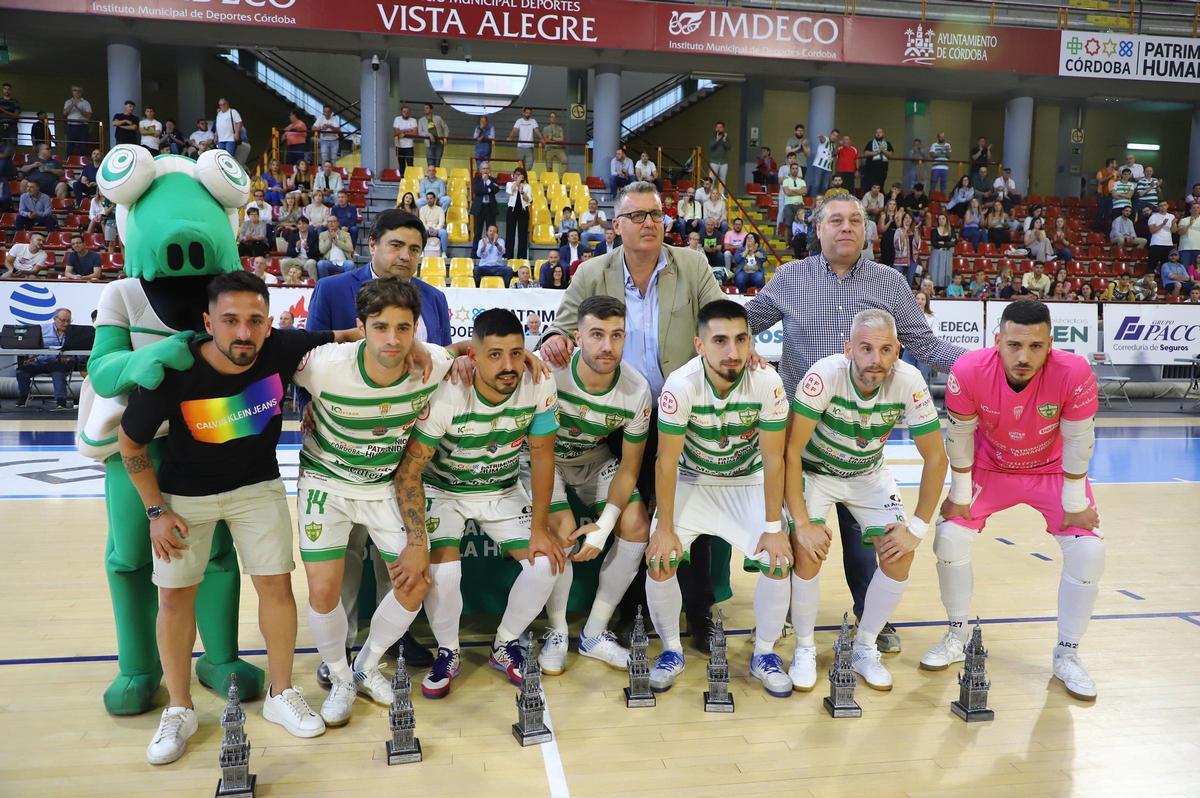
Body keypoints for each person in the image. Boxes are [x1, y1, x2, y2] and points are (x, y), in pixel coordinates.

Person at [118, 271, 363, 765]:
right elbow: (131, 444)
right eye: (230, 321)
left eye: (255, 320)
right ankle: (181, 708)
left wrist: (429, 352)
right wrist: (155, 511)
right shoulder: (175, 371)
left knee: (276, 586)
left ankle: (279, 694)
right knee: (174, 597)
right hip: (185, 497)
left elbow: (352, 336)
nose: (244, 333)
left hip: (258, 488)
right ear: (209, 322)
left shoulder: (281, 348)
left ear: (269, 324)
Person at [744, 194, 964, 655]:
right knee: (799, 534)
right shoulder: (791, 277)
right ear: (818, 229)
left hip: (859, 438)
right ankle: (787, 615)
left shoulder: (889, 282)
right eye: (836, 221)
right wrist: (736, 343)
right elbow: (747, 321)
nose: (846, 228)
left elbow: (922, 341)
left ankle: (871, 617)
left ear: (867, 232)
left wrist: (982, 363)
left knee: (867, 541)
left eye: (856, 221)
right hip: (801, 439)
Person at [539, 181, 728, 651]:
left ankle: (700, 613)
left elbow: (719, 320)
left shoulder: (692, 264)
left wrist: (739, 349)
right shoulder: (592, 271)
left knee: (690, 515)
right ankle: (631, 612)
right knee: (635, 513)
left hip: (683, 415)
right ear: (616, 226)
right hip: (622, 419)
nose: (649, 223)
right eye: (638, 215)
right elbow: (560, 325)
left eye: (656, 215)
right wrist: (551, 341)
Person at [922, 300, 1103, 700]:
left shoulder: (1074, 372)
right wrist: (960, 493)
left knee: (1089, 553)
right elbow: (960, 436)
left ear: (1050, 343)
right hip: (991, 468)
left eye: (1036, 347)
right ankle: (956, 635)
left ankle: (1067, 654)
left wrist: (1075, 500)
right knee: (949, 538)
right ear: (997, 340)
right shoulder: (968, 370)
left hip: (1053, 471)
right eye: (1015, 345)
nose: (1024, 356)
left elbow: (1078, 441)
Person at [293, 278, 455, 726]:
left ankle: (366, 663)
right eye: (380, 327)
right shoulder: (323, 365)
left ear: (416, 329)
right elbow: (271, 354)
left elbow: (471, 353)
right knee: (324, 590)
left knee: (414, 582)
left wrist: (541, 353)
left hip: (384, 484)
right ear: (360, 326)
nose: (392, 339)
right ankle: (342, 677)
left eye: (403, 328)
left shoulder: (432, 363)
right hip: (327, 482)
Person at [392, 308, 564, 695]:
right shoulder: (449, 389)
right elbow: (411, 469)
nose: (508, 365)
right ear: (473, 354)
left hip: (500, 488)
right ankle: (448, 651)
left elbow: (541, 456)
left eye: (517, 353)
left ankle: (505, 644)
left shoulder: (539, 381)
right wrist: (417, 539)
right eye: (495, 354)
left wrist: (539, 528)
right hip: (443, 489)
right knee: (446, 573)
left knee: (546, 564)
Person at [784, 309, 947, 691]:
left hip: (867, 474)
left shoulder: (909, 381)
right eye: (867, 348)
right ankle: (805, 647)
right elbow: (790, 452)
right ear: (848, 349)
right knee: (808, 549)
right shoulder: (824, 375)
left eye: (886, 349)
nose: (876, 359)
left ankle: (865, 645)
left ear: (897, 352)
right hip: (815, 472)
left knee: (899, 552)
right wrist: (804, 523)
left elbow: (936, 458)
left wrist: (917, 529)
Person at [644, 299, 790, 695]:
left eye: (742, 340)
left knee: (777, 559)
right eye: (721, 341)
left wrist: (775, 528)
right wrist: (666, 528)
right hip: (694, 480)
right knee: (660, 560)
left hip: (747, 481)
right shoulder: (681, 385)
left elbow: (774, 459)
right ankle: (671, 651)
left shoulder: (767, 381)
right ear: (699, 345)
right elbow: (666, 462)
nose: (733, 351)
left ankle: (764, 654)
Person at [528, 295, 653, 674]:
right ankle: (557, 630)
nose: (607, 346)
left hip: (590, 459)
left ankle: (595, 633)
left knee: (636, 524)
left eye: (616, 336)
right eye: (596, 335)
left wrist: (605, 526)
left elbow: (630, 468)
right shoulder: (549, 370)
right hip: (540, 458)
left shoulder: (636, 389)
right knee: (563, 531)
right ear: (577, 337)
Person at [14, 307, 79, 409]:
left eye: (68, 321)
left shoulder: (75, 332)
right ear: (55, 319)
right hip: (41, 361)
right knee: (21, 371)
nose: (66, 324)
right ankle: (23, 396)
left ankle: (61, 401)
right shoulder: (42, 329)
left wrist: (69, 359)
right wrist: (31, 357)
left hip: (61, 363)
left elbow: (79, 353)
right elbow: (29, 344)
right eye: (63, 320)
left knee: (58, 370)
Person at [506, 166, 533, 260]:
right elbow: (510, 191)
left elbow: (529, 200)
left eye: (519, 175)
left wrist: (522, 192)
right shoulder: (510, 183)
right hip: (511, 210)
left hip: (523, 211)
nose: (516, 176)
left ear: (523, 176)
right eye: (515, 175)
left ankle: (522, 257)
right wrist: (517, 183)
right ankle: (508, 256)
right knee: (510, 233)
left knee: (522, 234)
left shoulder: (527, 186)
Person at [471, 161, 500, 247]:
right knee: (477, 232)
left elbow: (496, 190)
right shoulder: (476, 179)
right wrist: (488, 190)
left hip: (490, 208)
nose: (486, 170)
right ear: (480, 170)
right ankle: (475, 254)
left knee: (491, 232)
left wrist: (487, 181)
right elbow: (476, 191)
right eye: (484, 168)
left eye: (487, 168)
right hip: (479, 208)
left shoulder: (493, 180)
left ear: (490, 169)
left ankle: (490, 252)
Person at [63, 85, 94, 156]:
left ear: (81, 92)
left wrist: (77, 107)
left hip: (82, 126)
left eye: (79, 90)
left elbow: (88, 115)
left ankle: (83, 161)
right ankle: (69, 161)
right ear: (72, 92)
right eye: (75, 90)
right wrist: (72, 105)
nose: (77, 92)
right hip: (71, 126)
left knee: (83, 145)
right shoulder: (68, 102)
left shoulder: (86, 102)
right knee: (70, 145)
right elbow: (64, 113)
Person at [1147, 200, 1176, 274]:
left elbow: (1174, 231)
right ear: (1158, 207)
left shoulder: (1171, 216)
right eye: (1161, 206)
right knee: (1152, 265)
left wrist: (1173, 224)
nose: (1163, 207)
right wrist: (1162, 224)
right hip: (1156, 243)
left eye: (1164, 205)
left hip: (1168, 244)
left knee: (1166, 266)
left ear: (1167, 206)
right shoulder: (1154, 216)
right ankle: (1149, 283)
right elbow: (1152, 230)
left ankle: (1164, 283)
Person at [929, 212, 955, 290]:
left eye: (943, 218)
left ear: (946, 220)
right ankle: (935, 289)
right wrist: (948, 243)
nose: (941, 220)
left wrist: (943, 243)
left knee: (946, 272)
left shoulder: (951, 230)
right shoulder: (934, 231)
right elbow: (934, 243)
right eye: (939, 219)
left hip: (947, 253)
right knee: (935, 272)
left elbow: (954, 243)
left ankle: (945, 289)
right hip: (937, 253)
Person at [863, 128, 894, 192]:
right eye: (877, 132)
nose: (878, 134)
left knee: (880, 187)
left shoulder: (887, 143)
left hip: (882, 170)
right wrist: (876, 152)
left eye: (880, 132)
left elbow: (891, 155)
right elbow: (866, 153)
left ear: (883, 134)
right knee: (870, 187)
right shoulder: (871, 143)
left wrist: (883, 150)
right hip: (871, 170)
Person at [392, 105, 418, 171]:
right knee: (401, 164)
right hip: (399, 146)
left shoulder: (413, 120)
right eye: (404, 112)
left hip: (409, 146)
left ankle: (410, 179)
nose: (406, 113)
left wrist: (403, 133)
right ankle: (402, 179)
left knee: (410, 164)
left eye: (407, 112)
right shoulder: (397, 119)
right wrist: (407, 130)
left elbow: (415, 133)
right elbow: (396, 132)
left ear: (409, 112)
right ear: (401, 112)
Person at [542, 111, 567, 175]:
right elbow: (546, 140)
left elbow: (562, 139)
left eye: (554, 117)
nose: (553, 118)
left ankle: (559, 178)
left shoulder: (560, 128)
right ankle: (551, 179)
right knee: (549, 167)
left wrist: (552, 138)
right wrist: (556, 140)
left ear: (556, 119)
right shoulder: (545, 129)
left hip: (559, 148)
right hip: (549, 148)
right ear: (549, 118)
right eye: (551, 117)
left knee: (565, 160)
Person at [707, 121, 731, 188]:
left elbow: (728, 147)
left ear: (723, 129)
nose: (718, 129)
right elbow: (711, 146)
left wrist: (724, 140)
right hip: (714, 162)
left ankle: (721, 196)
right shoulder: (712, 137)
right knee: (711, 179)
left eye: (720, 127)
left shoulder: (726, 138)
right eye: (717, 127)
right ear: (715, 128)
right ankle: (710, 195)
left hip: (724, 162)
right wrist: (717, 140)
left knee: (722, 180)